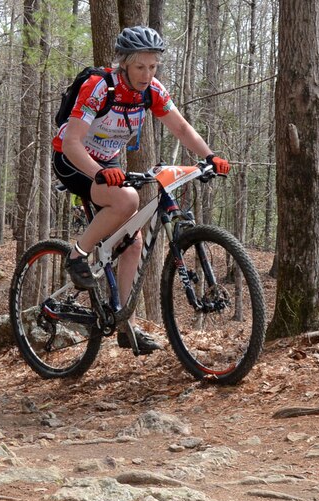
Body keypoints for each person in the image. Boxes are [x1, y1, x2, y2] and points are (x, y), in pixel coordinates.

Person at [51, 25, 230, 354]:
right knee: (128, 199)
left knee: (133, 243)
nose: (147, 74)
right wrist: (100, 174)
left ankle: (123, 325)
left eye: (153, 67)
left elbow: (180, 127)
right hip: (72, 159)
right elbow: (73, 142)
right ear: (124, 64)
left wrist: (209, 156)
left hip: (105, 164)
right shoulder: (99, 87)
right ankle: (77, 256)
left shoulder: (152, 91)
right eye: (140, 67)